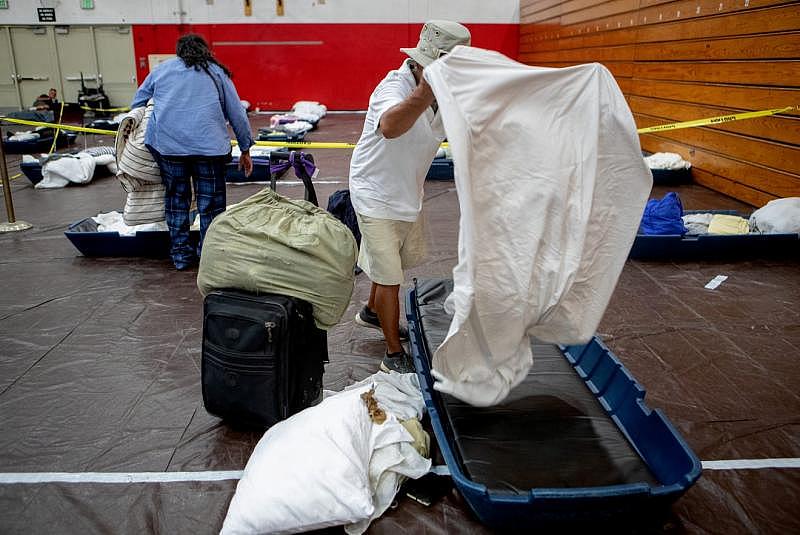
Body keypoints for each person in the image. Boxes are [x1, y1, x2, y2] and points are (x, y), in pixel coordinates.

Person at [349, 20, 470, 373]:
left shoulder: (446, 94)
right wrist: (426, 92)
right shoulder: (394, 86)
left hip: (406, 190)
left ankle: (372, 312)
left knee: (393, 261)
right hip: (374, 191)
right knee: (390, 276)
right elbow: (389, 127)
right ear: (420, 64)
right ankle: (392, 355)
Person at [131, 34, 254, 270]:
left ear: (179, 52)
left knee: (177, 201)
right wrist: (245, 147)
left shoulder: (161, 70)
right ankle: (209, 258)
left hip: (169, 149)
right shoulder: (216, 72)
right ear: (205, 50)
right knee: (211, 205)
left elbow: (138, 102)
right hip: (209, 150)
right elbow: (237, 112)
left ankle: (180, 257)